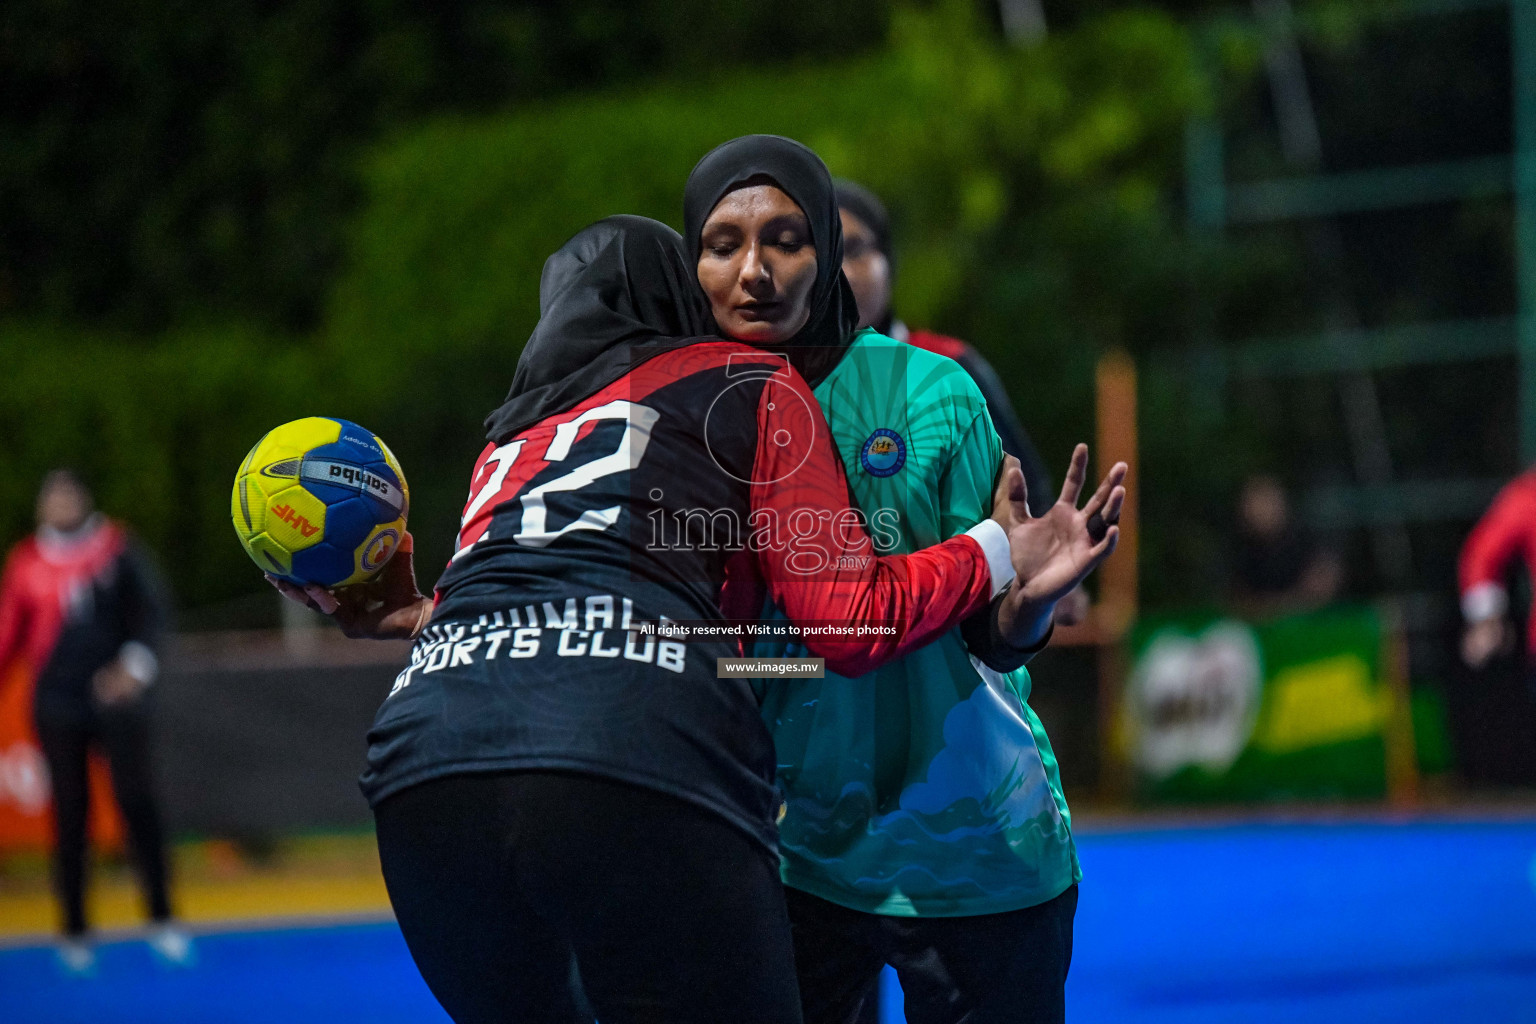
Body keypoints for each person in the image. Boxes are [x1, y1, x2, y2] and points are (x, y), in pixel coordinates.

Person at [275, 208, 1120, 1023]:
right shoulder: (746, 384)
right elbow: (839, 626)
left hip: (421, 769)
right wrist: (998, 550)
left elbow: (562, 622)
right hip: (674, 766)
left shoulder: (509, 439)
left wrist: (420, 614)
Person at [694, 142, 1122, 1024]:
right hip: (793, 856)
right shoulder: (681, 414)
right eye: (723, 242)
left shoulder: (932, 392)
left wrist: (1031, 603)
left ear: (826, 254)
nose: (755, 269)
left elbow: (991, 636)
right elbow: (740, 652)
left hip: (974, 851)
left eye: (786, 239)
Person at [0, 470, 186, 971]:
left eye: (69, 493)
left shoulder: (116, 548)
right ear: (40, 506)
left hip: (116, 700)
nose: (60, 502)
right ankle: (76, 928)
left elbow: (152, 614)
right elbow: (8, 635)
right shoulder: (26, 561)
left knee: (136, 803)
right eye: (51, 495)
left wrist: (133, 667)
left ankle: (162, 918)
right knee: (68, 812)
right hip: (57, 703)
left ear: (84, 499)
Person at [1231, 474, 1341, 616]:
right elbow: (1238, 599)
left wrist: (1286, 604)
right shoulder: (1241, 549)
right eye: (1254, 502)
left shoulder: (1306, 537)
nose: (1261, 509)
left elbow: (1322, 582)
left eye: (1267, 501)